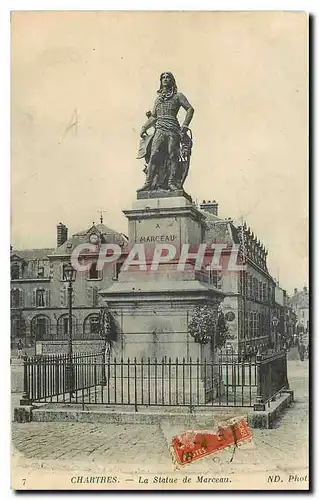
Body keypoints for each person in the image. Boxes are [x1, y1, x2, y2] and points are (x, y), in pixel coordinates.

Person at [138, 72, 194, 191]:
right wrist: (144, 127)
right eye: (163, 77)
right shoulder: (158, 99)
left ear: (172, 80)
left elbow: (190, 109)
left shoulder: (178, 96)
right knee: (154, 155)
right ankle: (148, 183)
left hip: (173, 129)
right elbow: (153, 117)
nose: (165, 79)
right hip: (160, 129)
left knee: (172, 155)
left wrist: (185, 125)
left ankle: (171, 182)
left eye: (168, 77)